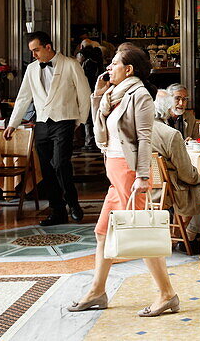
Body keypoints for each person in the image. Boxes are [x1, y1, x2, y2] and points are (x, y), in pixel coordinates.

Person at [69, 45, 180, 318]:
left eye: (114, 63)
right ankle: (97, 291)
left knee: (141, 235)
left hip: (130, 172)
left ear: (128, 69)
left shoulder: (139, 95)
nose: (109, 67)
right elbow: (99, 127)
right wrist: (97, 94)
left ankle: (167, 295)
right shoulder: (113, 95)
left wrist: (143, 175)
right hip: (114, 169)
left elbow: (144, 138)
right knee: (102, 232)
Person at [6, 31, 92, 226]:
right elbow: (23, 98)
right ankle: (58, 211)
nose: (33, 55)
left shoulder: (71, 65)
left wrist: (79, 122)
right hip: (42, 124)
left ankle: (73, 202)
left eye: (36, 50)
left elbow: (84, 95)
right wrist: (13, 124)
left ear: (47, 46)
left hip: (65, 120)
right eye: (31, 51)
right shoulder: (31, 69)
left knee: (61, 164)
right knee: (46, 169)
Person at [149, 87, 200, 246]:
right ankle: (187, 235)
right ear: (168, 108)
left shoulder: (141, 128)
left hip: (146, 185)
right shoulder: (170, 134)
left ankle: (180, 234)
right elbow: (186, 174)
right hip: (170, 189)